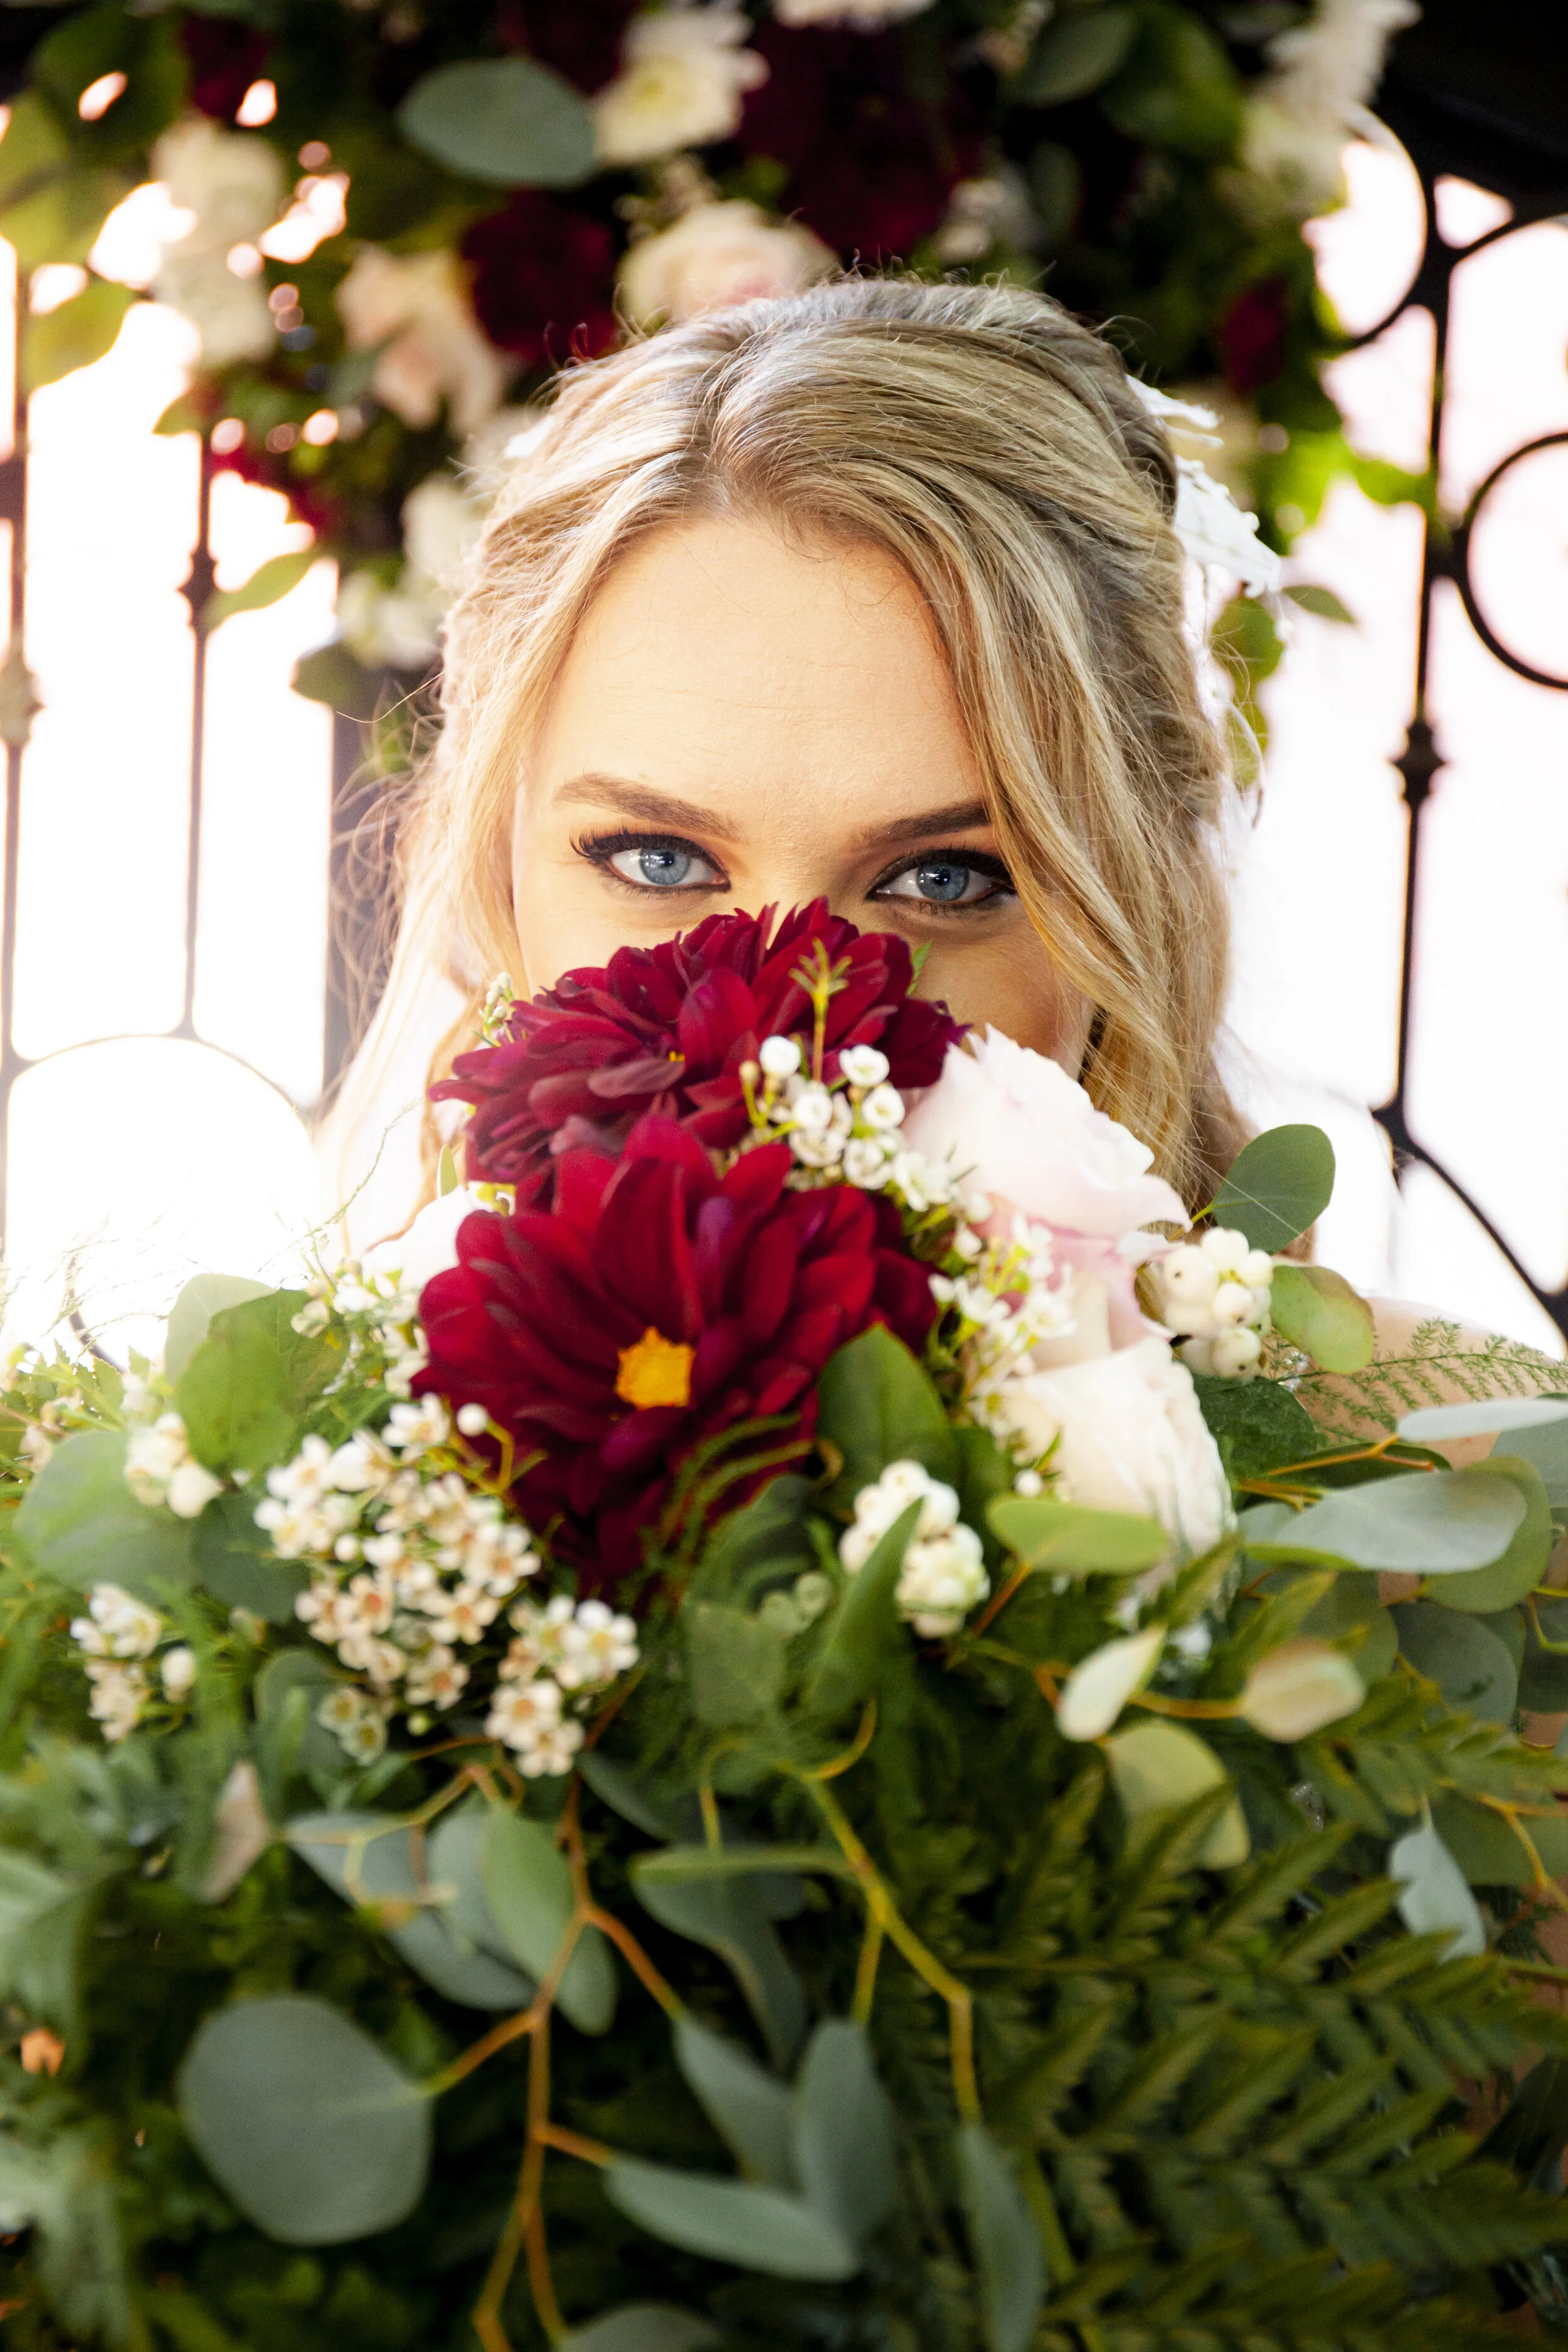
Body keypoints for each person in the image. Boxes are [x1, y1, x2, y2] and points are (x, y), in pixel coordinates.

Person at [339, 273, 1249, 1235]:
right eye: (660, 860)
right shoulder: (310, 1386)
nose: (784, 1048)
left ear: (1139, 888)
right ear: (499, 855)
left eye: (944, 879)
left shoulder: (1413, 1387)